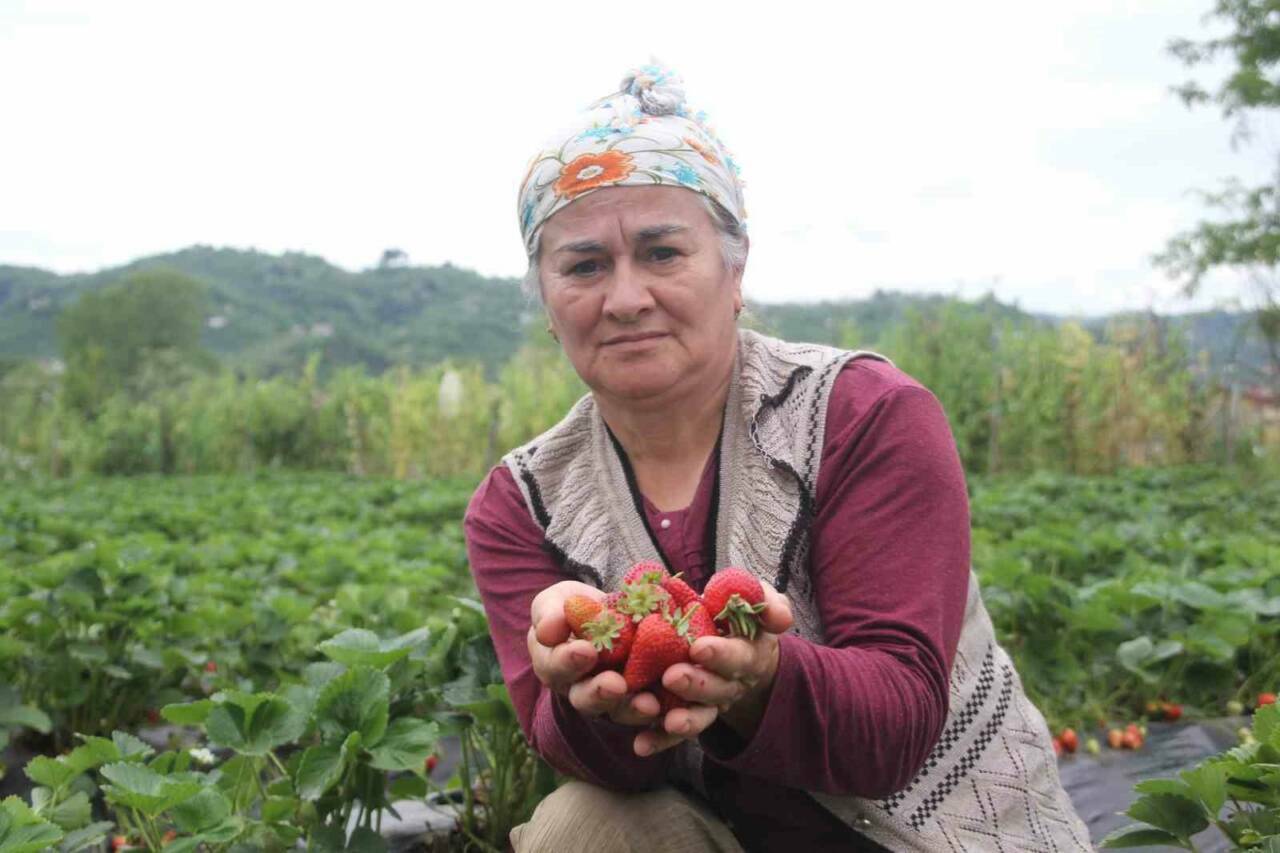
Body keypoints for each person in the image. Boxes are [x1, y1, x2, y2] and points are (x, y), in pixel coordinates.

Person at [464, 64, 1090, 852]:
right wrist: (584, 689)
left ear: (735, 270)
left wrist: (761, 677)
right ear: (548, 304)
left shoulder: (865, 414)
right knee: (578, 826)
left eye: (662, 252)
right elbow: (574, 750)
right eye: (584, 266)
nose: (624, 298)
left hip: (936, 836)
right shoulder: (518, 503)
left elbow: (897, 726)